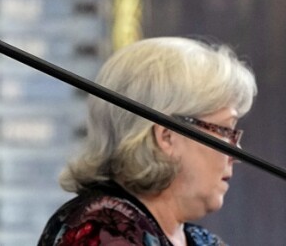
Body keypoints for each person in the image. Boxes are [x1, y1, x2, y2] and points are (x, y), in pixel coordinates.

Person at [38, 37, 257, 246]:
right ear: (167, 137)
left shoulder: (199, 240)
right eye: (225, 131)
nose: (235, 153)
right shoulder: (104, 231)